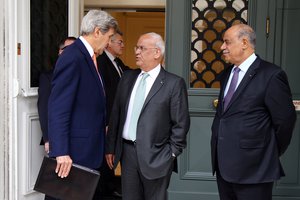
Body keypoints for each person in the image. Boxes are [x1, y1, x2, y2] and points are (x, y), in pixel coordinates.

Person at [211, 24, 297, 200]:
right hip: (224, 166)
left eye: (227, 42)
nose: (222, 47)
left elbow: (285, 121)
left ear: (244, 42)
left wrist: (268, 151)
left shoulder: (272, 75)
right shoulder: (228, 73)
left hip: (255, 168)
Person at [105, 32, 190, 200]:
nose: (136, 51)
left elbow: (180, 124)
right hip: (127, 154)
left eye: (142, 48)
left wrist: (170, 154)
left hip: (157, 155)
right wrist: (111, 147)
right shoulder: (128, 78)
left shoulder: (173, 83)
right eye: (137, 47)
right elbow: (116, 115)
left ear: (157, 53)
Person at [47, 10, 117, 200]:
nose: (109, 42)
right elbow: (58, 107)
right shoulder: (73, 56)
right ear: (96, 32)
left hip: (88, 150)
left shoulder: (91, 57)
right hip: (74, 153)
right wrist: (61, 151)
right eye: (109, 37)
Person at [37, 36, 76, 200]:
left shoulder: (81, 73)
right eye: (69, 49)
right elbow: (44, 108)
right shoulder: (48, 76)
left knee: (75, 182)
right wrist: (48, 139)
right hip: (56, 138)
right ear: (60, 52)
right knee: (56, 185)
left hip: (75, 137)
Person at [97, 29, 129, 198]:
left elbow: (129, 74)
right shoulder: (101, 62)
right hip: (107, 119)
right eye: (120, 42)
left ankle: (110, 187)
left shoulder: (118, 62)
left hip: (117, 118)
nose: (123, 45)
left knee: (112, 154)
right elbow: (104, 94)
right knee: (104, 156)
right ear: (109, 43)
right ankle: (104, 190)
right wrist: (107, 120)